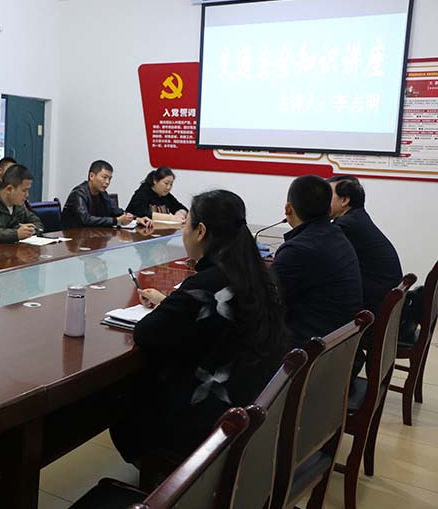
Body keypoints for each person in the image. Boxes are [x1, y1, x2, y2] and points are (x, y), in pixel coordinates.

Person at [110, 190, 287, 463]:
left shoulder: (206, 284)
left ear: (201, 231)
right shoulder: (258, 275)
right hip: (251, 404)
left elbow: (145, 333)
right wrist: (171, 303)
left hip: (207, 421)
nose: (184, 232)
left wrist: (172, 306)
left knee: (119, 396)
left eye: (187, 225)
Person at [272, 175, 362, 348]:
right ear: (329, 209)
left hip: (310, 351)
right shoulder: (336, 235)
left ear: (288, 208)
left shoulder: (298, 249)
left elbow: (265, 303)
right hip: (339, 345)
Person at [328, 175, 402, 316]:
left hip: (373, 304)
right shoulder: (357, 217)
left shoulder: (346, 225)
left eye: (328, 196)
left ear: (344, 200)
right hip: (383, 297)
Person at [61, 160, 151, 229]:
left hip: (93, 236)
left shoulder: (103, 193)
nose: (107, 182)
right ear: (91, 176)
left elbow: (116, 211)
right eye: (104, 177)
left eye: (109, 179)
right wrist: (116, 220)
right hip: (73, 239)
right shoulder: (78, 194)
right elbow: (85, 220)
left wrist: (136, 219)